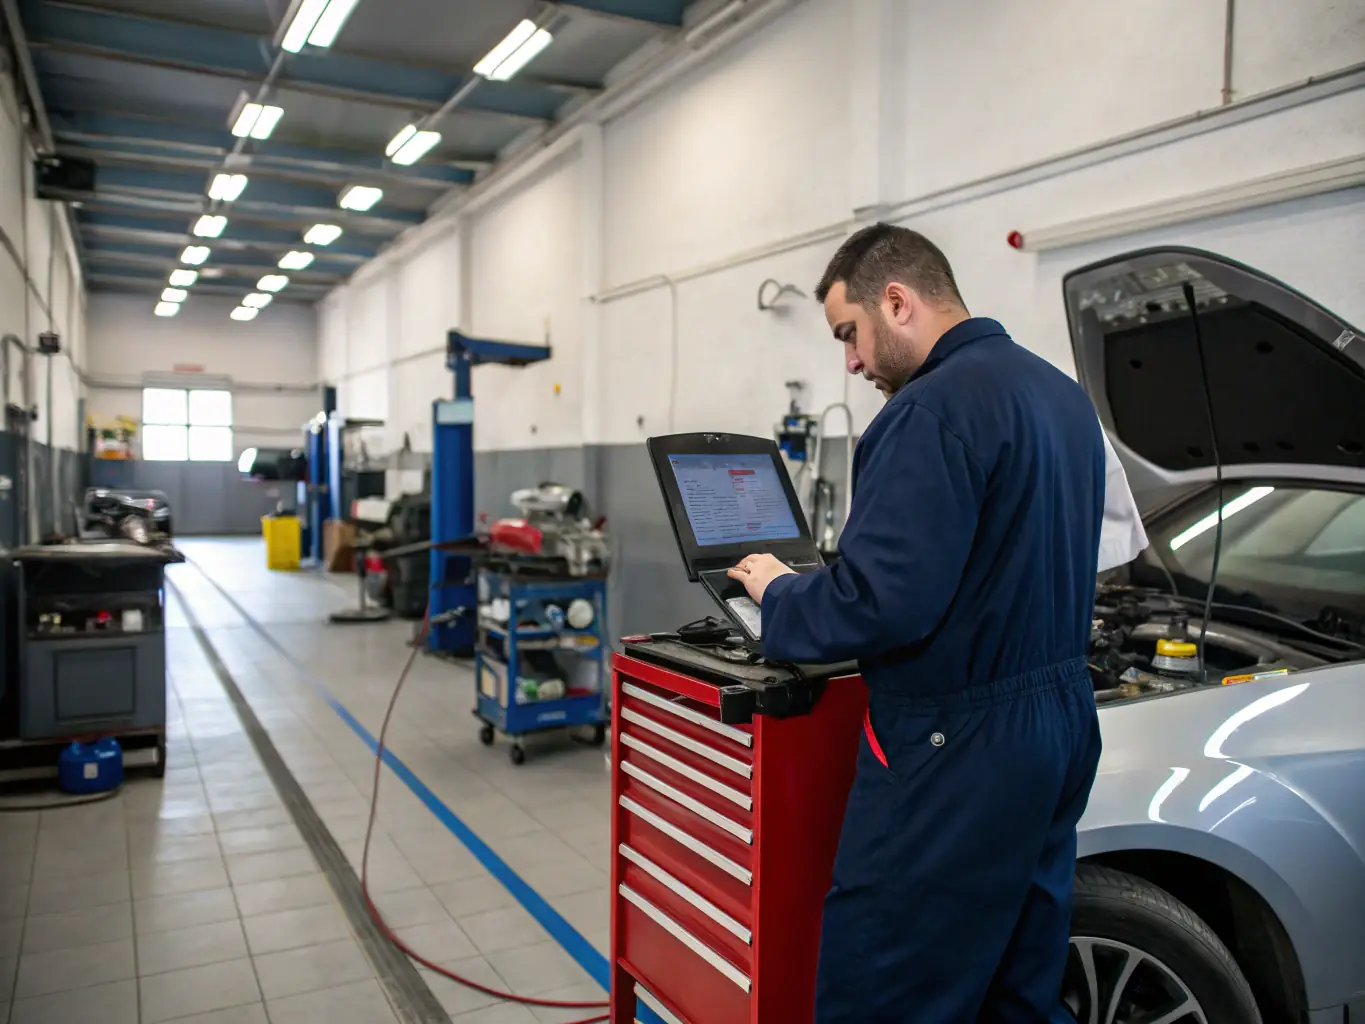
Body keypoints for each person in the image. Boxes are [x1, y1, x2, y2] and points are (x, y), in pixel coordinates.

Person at [727, 224, 1114, 1022]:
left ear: (895, 301)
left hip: (956, 747)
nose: (852, 362)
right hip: (1059, 725)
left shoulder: (927, 412)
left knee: (889, 987)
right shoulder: (1061, 397)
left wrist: (776, 592)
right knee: (1017, 982)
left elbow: (880, 602)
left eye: (849, 334)